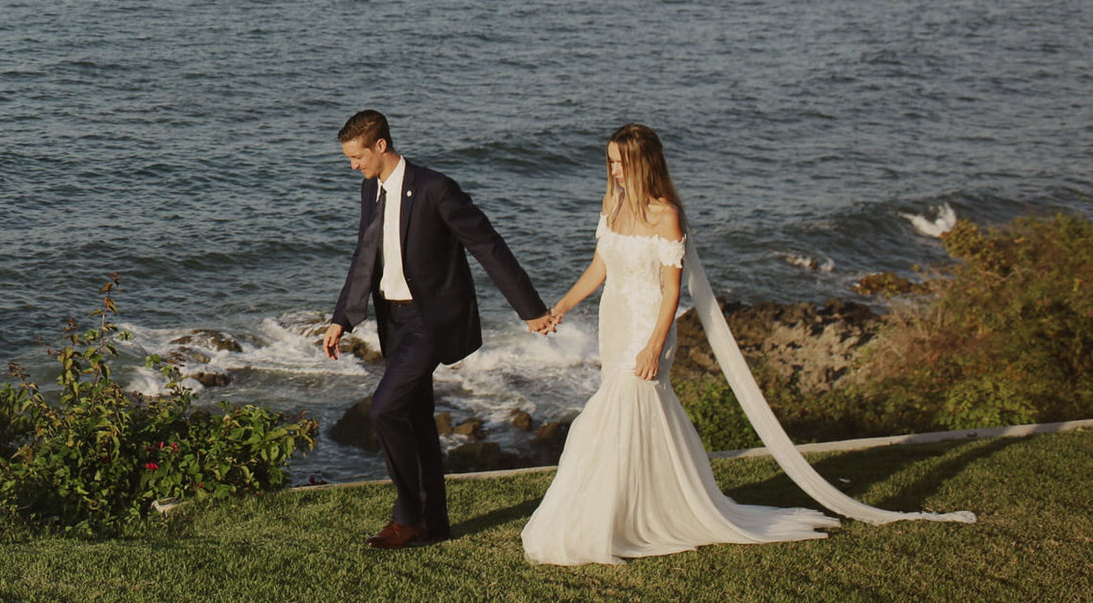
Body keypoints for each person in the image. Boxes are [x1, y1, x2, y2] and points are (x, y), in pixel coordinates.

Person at [520, 123, 972, 565]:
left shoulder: (666, 213)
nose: (614, 171)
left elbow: (673, 291)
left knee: (618, 411)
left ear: (644, 163)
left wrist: (655, 344)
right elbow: (601, 268)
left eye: (621, 164)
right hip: (615, 323)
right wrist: (559, 308)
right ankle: (637, 509)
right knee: (629, 415)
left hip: (648, 326)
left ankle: (621, 516)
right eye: (611, 163)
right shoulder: (612, 205)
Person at [324, 108, 553, 549]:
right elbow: (364, 256)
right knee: (415, 418)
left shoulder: (435, 189)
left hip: (430, 320)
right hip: (393, 320)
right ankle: (436, 523)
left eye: (357, 157)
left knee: (384, 410)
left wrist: (530, 309)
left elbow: (487, 244)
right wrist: (340, 319)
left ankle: (406, 518)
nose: (353, 166)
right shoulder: (370, 189)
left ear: (380, 146)